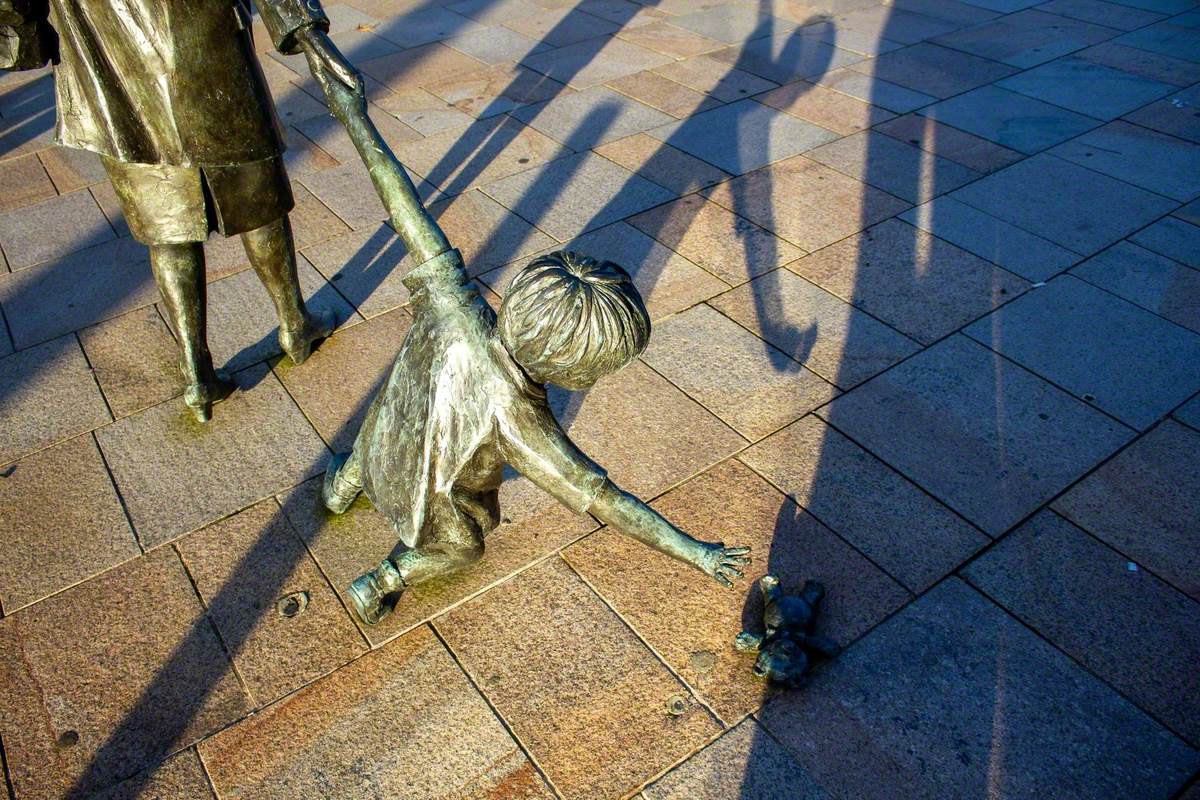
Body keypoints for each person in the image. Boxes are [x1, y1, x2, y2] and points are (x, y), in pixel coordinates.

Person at [322, 248, 751, 625]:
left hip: (385, 437)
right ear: (574, 372)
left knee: (375, 437)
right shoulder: (522, 420)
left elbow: (413, 218)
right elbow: (608, 501)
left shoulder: (454, 304)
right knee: (463, 547)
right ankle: (380, 582)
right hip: (433, 491)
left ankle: (341, 488)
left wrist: (371, 150)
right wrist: (697, 553)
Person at [1, 0, 360, 420]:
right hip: (200, 43)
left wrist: (21, 30)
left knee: (165, 219)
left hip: (108, 61)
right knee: (255, 195)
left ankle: (196, 368)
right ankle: (294, 323)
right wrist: (306, 30)